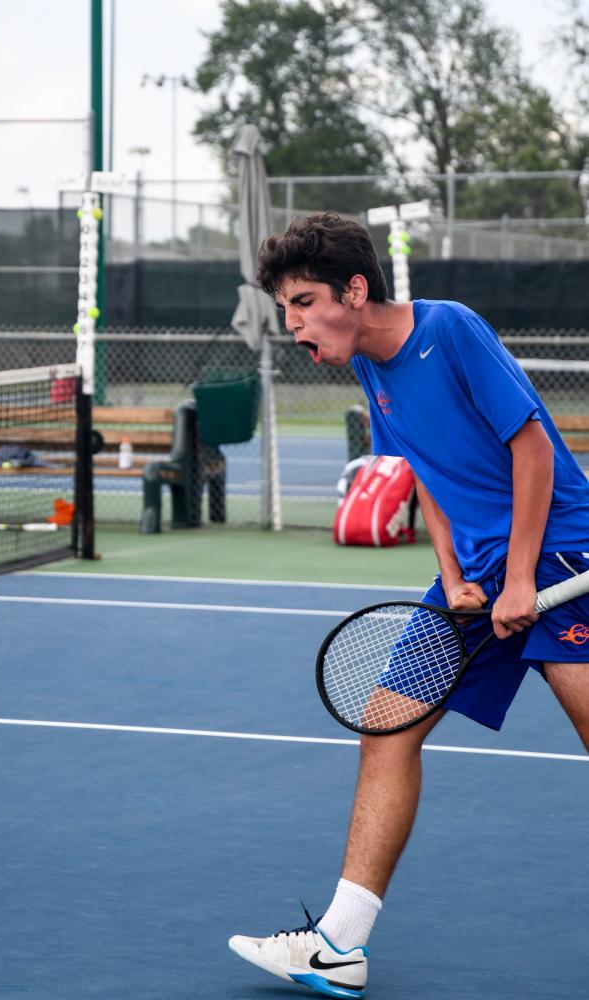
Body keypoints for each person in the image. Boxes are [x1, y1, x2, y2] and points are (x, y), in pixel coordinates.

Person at [228, 212, 589, 999]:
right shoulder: (367, 365)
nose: (291, 325)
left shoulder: (450, 329)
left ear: (354, 292)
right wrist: (453, 572)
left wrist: (520, 577)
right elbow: (425, 469)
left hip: (558, 552)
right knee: (385, 729)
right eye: (285, 307)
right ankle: (337, 946)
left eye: (301, 302)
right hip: (477, 576)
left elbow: (530, 444)